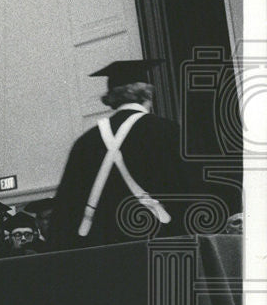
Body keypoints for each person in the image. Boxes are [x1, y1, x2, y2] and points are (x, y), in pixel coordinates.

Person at [51, 60, 198, 249]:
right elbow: (192, 189)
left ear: (111, 97)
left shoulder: (85, 143)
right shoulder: (169, 132)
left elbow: (66, 207)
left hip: (104, 251)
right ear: (148, 94)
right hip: (161, 242)